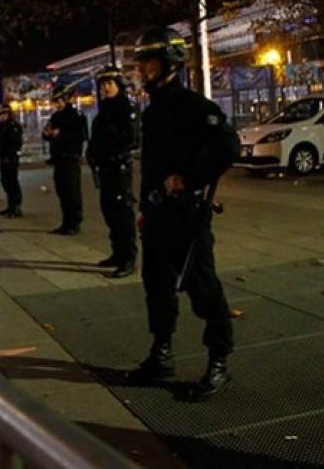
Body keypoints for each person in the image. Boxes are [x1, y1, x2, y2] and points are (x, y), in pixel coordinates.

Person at [130, 26, 240, 401]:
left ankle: (218, 361)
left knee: (203, 288)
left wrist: (189, 179)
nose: (141, 69)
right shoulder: (153, 112)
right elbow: (151, 167)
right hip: (158, 216)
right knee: (157, 287)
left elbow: (228, 146)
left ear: (169, 64)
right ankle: (161, 352)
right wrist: (144, 208)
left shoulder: (194, 107)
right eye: (140, 62)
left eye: (148, 61)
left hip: (186, 216)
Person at [87, 64, 138, 277]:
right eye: (103, 85)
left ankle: (128, 258)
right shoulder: (104, 110)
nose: (106, 88)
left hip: (119, 168)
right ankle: (117, 253)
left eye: (109, 84)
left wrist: (111, 142)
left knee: (122, 214)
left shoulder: (127, 109)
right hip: (105, 169)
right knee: (109, 212)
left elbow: (132, 139)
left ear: (118, 85)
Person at [42, 84, 87, 235]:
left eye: (60, 100)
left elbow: (80, 136)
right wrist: (47, 133)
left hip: (70, 159)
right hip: (58, 159)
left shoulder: (75, 115)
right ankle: (66, 221)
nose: (58, 104)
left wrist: (60, 133)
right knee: (62, 192)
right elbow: (48, 134)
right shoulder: (55, 116)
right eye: (56, 101)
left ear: (66, 99)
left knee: (72, 192)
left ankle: (74, 222)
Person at [0, 104, 23, 217]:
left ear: (7, 114)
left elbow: (15, 144)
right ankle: (10, 206)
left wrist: (9, 154)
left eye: (2, 114)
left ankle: (16, 207)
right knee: (5, 181)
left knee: (12, 182)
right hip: (4, 158)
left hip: (11, 158)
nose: (0, 117)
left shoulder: (13, 126)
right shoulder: (2, 126)